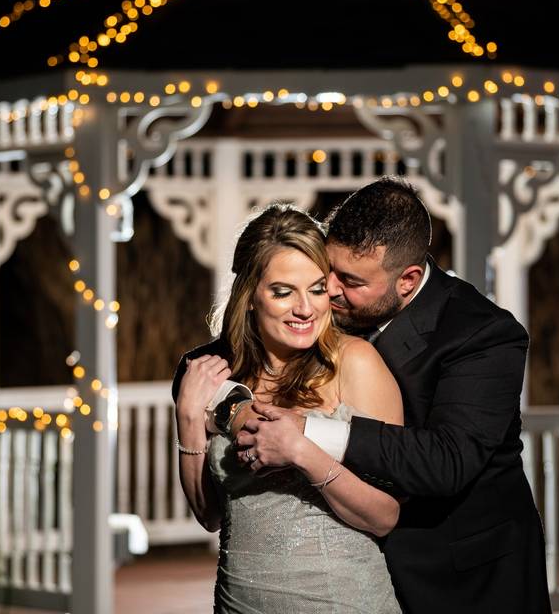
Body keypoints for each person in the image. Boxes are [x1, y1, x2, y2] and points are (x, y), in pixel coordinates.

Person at [237, 177, 552, 613]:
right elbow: (259, 333)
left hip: (465, 579)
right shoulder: (343, 307)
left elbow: (448, 462)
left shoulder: (483, 334)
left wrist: (310, 431)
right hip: (357, 576)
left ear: (407, 280)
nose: (328, 290)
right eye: (329, 270)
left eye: (349, 280)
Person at [171, 203, 404, 612]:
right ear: (248, 297)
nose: (305, 309)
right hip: (239, 601)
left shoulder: (356, 363)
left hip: (342, 602)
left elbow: (384, 515)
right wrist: (189, 420)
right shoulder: (218, 374)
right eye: (283, 292)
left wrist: (302, 453)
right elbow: (209, 516)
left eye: (316, 289)